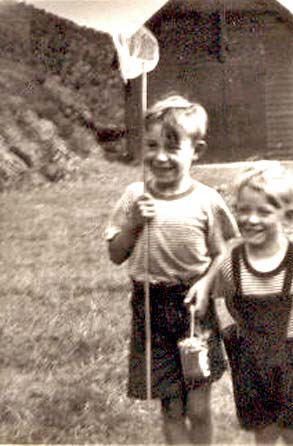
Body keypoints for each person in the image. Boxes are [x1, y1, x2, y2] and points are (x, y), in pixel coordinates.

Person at [104, 95, 239, 444]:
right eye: (151, 145)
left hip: (193, 306)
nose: (160, 156)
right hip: (150, 306)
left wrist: (208, 284)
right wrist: (134, 222)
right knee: (172, 408)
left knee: (198, 408)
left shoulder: (206, 200)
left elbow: (226, 251)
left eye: (172, 146)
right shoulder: (135, 196)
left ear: (197, 150)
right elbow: (115, 254)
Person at [213, 161, 293, 445]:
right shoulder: (230, 266)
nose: (251, 219)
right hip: (252, 365)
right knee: (264, 433)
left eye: (263, 211)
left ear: (288, 217)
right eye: (243, 210)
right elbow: (224, 303)